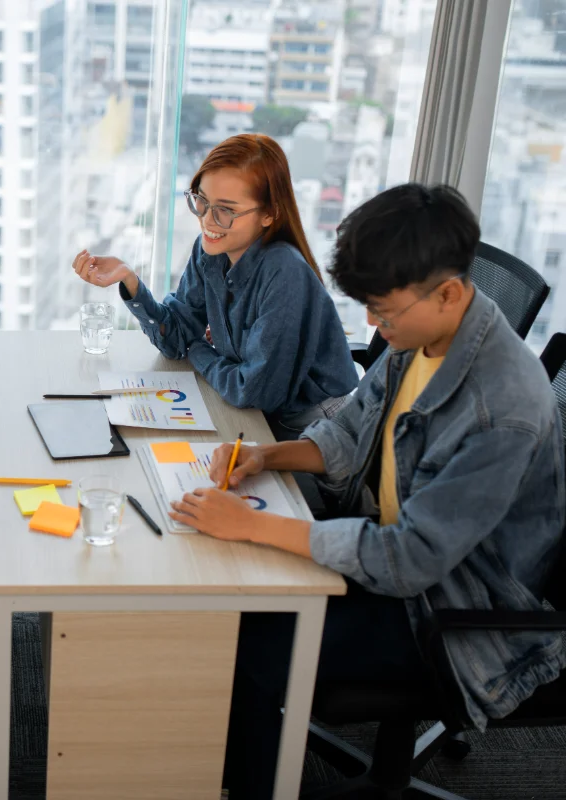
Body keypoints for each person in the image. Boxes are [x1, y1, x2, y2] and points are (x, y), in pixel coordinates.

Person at [167, 184, 566, 799]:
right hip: (386, 548)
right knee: (228, 588)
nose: (375, 328)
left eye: (384, 311)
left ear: (450, 292)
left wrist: (252, 525)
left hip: (447, 613)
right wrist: (266, 455)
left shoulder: (501, 408)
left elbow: (409, 560)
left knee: (249, 646)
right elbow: (350, 432)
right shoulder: (426, 333)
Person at [72, 134, 358, 440]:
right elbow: (175, 340)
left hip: (315, 428)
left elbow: (252, 391)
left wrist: (199, 350)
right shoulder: (210, 251)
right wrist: (130, 281)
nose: (207, 220)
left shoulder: (285, 272)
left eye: (226, 210)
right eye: (202, 200)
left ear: (269, 214)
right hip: (258, 418)